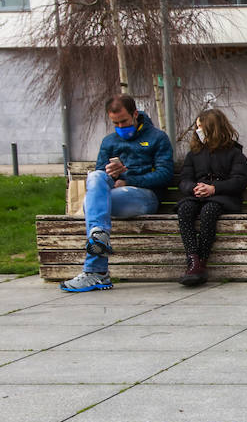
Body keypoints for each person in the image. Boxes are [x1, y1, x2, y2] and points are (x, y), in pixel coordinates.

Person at [61, 95, 174, 293]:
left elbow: (165, 176)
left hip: (145, 197)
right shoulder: (109, 141)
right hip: (115, 196)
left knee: (91, 203)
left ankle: (96, 270)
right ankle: (99, 241)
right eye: (115, 123)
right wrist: (112, 178)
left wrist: (127, 177)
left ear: (135, 114)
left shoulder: (157, 138)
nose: (121, 126)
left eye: (124, 121)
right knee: (96, 177)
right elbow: (99, 178)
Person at [176, 107, 247, 286]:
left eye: (202, 127)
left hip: (223, 198)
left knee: (209, 211)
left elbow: (239, 181)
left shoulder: (234, 153)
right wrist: (194, 188)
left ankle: (200, 262)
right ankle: (193, 260)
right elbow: (185, 179)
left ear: (213, 128)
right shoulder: (194, 154)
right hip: (197, 195)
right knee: (185, 209)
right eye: (197, 128)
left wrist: (214, 188)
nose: (198, 131)